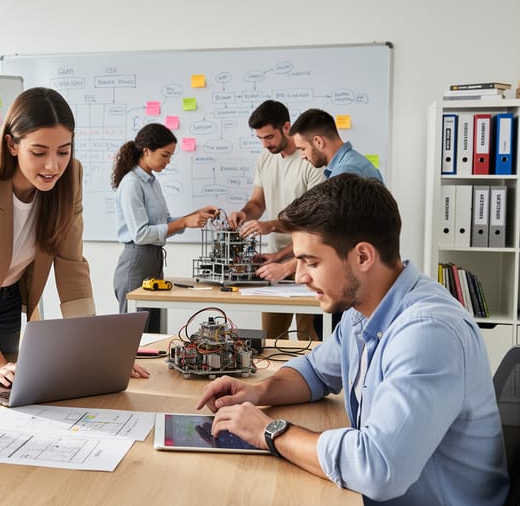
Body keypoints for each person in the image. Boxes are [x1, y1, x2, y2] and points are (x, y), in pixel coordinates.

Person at [197, 174, 509, 505]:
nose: (300, 277)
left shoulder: (427, 333)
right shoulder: (364, 311)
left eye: (311, 262)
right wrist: (259, 391)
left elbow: (378, 469)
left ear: (362, 257)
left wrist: (270, 432)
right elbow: (316, 371)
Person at [0, 87, 149, 386]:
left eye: (63, 150)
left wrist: (98, 354)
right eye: (39, 152)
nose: (53, 166)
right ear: (11, 144)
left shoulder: (70, 177)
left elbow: (72, 268)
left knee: (4, 395)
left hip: (6, 298)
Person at [229, 100, 325, 340]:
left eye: (269, 137)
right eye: (260, 138)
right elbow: (257, 204)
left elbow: (314, 225)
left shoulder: (310, 162)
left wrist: (270, 225)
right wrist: (244, 213)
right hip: (274, 261)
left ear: (286, 127)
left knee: (307, 335)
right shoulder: (266, 157)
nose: (265, 144)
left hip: (309, 260)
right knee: (270, 336)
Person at [111, 123, 218, 333]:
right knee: (134, 335)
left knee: (153, 331)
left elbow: (165, 221)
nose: (168, 162)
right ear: (146, 151)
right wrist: (184, 222)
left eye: (170, 156)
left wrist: (194, 214)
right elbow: (141, 234)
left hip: (153, 260)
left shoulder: (151, 182)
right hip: (137, 262)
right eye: (165, 155)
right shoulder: (132, 183)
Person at [289, 108, 384, 182]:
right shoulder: (354, 162)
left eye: (303, 149)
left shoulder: (344, 172)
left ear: (318, 142)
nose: (302, 156)